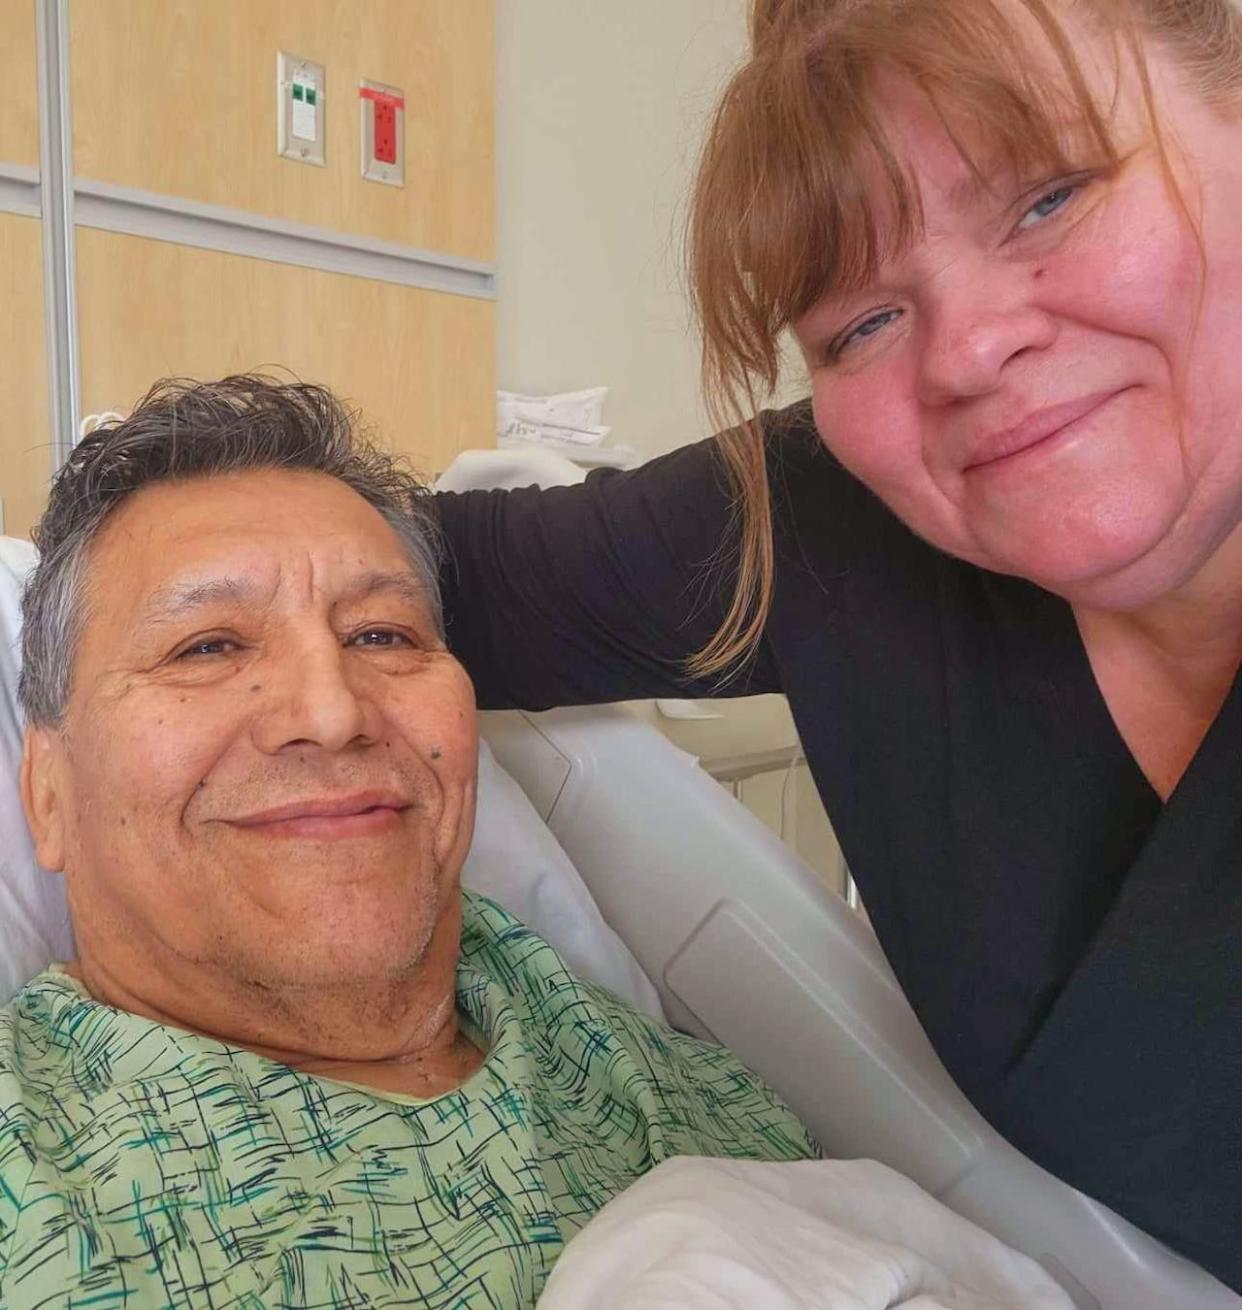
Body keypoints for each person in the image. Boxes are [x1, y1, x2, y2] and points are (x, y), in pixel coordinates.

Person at [433, 0, 1242, 1291]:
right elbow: (435, 572)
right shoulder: (835, 524)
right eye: (857, 323)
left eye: (1049, 199)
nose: (971, 351)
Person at [0, 376, 816, 1310]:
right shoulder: (31, 1189)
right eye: (207, 647)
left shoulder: (655, 1070)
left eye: (382, 634)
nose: (333, 711)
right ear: (48, 793)